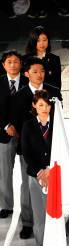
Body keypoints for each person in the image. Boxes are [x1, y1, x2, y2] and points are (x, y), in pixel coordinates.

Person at [10, 57, 61, 239]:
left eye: (42, 71)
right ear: (27, 74)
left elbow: (59, 118)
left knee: (53, 188)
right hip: (29, 150)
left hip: (52, 150)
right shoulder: (20, 95)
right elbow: (16, 121)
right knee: (28, 187)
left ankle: (54, 222)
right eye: (35, 72)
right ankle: (28, 223)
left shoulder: (54, 91)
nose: (39, 75)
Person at [20, 90, 53, 246]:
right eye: (41, 105)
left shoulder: (56, 125)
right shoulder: (28, 125)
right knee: (40, 216)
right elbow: (26, 153)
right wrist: (40, 171)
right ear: (34, 106)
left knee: (54, 214)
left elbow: (61, 149)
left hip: (53, 174)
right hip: (36, 176)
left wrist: (50, 170)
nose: (45, 108)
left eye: (47, 105)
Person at [0, 51, 27, 220]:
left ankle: (27, 205)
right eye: (9, 62)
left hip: (25, 134)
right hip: (3, 134)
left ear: (21, 64)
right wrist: (6, 125)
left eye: (16, 61)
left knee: (27, 172)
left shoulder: (27, 82)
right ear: (3, 65)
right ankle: (6, 205)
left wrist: (19, 127)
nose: (12, 64)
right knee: (4, 172)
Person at [24, 26, 61, 90]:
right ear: (33, 41)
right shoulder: (25, 59)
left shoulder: (55, 59)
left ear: (48, 41)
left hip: (49, 95)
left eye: (44, 40)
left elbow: (57, 83)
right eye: (38, 41)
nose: (42, 43)